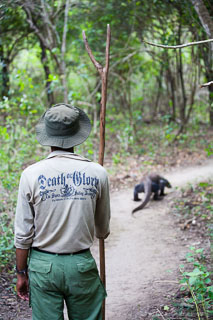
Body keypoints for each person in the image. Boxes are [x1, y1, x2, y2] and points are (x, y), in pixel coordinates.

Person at [14, 103, 111, 320]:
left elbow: (23, 235)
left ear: (47, 135)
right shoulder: (97, 173)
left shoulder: (30, 175)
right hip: (81, 267)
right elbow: (102, 230)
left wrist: (21, 273)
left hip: (43, 267)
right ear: (78, 134)